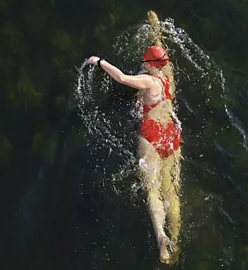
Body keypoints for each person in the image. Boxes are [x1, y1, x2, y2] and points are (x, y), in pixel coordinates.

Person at [87, 45, 182, 264]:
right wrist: (155, 24)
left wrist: (99, 61)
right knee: (171, 191)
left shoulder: (148, 82)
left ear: (149, 65)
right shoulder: (168, 74)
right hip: (171, 135)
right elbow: (160, 47)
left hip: (151, 136)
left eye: (145, 60)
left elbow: (121, 77)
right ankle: (176, 238)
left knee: (152, 190)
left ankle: (160, 235)